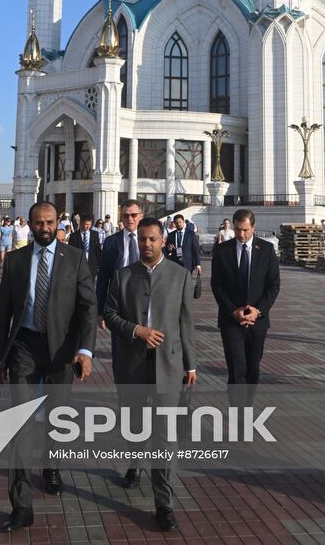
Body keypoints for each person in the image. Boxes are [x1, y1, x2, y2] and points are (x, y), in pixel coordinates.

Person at [0, 201, 96, 532]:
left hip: (61, 351)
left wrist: (85, 350)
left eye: (50, 222)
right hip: (24, 346)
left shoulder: (75, 258)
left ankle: (52, 465)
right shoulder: (17, 260)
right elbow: (3, 310)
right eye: (39, 223)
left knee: (57, 417)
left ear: (57, 223)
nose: (45, 228)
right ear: (31, 224)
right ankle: (21, 506)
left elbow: (88, 308)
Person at [104, 216, 196, 533]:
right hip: (132, 364)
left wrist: (192, 364)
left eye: (153, 239)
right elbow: (110, 315)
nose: (147, 244)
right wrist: (137, 330)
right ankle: (133, 463)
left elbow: (186, 323)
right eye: (142, 239)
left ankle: (164, 504)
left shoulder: (180, 276)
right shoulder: (123, 276)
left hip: (168, 367)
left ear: (163, 240)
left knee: (164, 438)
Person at [210, 209, 280, 405]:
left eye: (245, 230)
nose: (241, 235)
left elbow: (274, 284)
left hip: (258, 321)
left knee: (253, 368)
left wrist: (258, 311)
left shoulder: (266, 250)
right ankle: (238, 412)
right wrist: (233, 310)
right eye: (238, 230)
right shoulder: (222, 251)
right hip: (230, 320)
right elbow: (217, 285)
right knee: (236, 367)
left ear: (254, 228)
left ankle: (247, 404)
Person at [96, 200, 143, 325]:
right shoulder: (111, 242)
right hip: (118, 302)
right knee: (119, 342)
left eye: (133, 215)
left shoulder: (148, 240)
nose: (130, 219)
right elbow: (103, 278)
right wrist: (100, 311)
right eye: (125, 216)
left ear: (141, 216)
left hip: (144, 300)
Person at [68, 210, 102, 279]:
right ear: (81, 223)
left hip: (91, 265)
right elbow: (70, 252)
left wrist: (100, 264)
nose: (88, 226)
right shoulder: (74, 236)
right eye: (86, 224)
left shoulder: (95, 234)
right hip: (78, 266)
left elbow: (97, 250)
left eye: (89, 224)